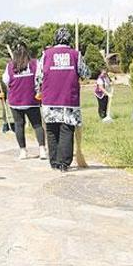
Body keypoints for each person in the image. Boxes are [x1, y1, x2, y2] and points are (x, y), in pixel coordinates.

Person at [35, 27, 90, 172]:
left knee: (52, 130)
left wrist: (37, 92)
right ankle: (64, 163)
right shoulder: (75, 55)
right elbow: (86, 73)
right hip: (69, 100)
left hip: (49, 99)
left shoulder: (46, 54)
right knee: (67, 129)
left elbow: (38, 77)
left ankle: (53, 161)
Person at [2, 41, 47, 160]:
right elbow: (40, 78)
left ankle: (23, 151)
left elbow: (6, 80)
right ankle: (42, 149)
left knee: (19, 125)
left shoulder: (10, 65)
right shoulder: (34, 63)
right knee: (37, 125)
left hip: (15, 100)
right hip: (32, 99)